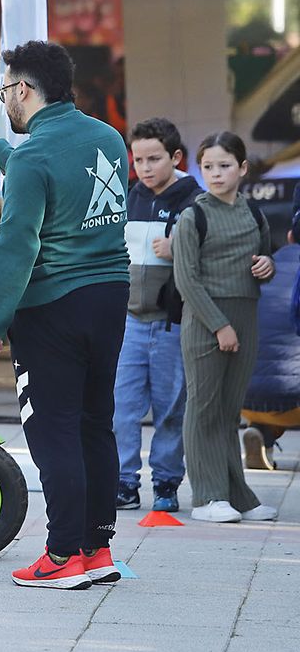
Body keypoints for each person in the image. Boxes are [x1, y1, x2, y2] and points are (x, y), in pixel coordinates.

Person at [0, 40, 130, 590]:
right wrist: (12, 161)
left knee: (53, 430)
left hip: (53, 308)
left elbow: (16, 246)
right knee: (94, 424)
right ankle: (97, 548)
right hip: (110, 296)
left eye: (4, 92)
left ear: (22, 89)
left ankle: (61, 555)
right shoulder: (108, 137)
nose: (4, 103)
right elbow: (78, 194)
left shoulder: (35, 158)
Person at [173, 131, 279, 523]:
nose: (216, 174)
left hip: (246, 317)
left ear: (243, 168)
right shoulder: (193, 216)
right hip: (205, 321)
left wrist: (267, 267)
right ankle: (207, 496)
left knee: (230, 410)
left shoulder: (254, 213)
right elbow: (187, 280)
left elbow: (263, 260)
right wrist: (219, 325)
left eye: (225, 166)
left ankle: (238, 495)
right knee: (203, 407)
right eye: (208, 167)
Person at [112, 117, 200, 514]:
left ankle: (166, 483)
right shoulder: (130, 196)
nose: (145, 168)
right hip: (129, 320)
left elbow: (209, 258)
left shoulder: (194, 200)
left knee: (170, 408)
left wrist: (178, 249)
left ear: (176, 157)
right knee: (122, 408)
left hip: (171, 322)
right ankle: (124, 482)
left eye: (154, 159)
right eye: (138, 159)